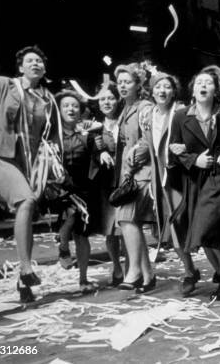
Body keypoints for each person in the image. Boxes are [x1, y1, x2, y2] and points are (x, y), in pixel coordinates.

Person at [0, 46, 62, 302]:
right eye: (30, 61)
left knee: (26, 213)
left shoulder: (47, 99)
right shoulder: (3, 84)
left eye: (39, 60)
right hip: (0, 156)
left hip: (31, 164)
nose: (35, 64)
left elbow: (50, 136)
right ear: (20, 67)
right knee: (25, 201)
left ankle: (23, 281)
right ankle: (27, 267)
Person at [169, 66, 220, 300]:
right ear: (192, 90)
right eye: (198, 83)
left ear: (216, 89)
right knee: (202, 231)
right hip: (196, 180)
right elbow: (174, 150)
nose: (203, 86)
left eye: (208, 82)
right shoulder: (181, 116)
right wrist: (194, 159)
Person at [130, 71, 203, 297]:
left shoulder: (182, 112)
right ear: (151, 91)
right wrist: (135, 151)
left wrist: (185, 150)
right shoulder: (148, 115)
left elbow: (193, 140)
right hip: (160, 180)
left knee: (183, 226)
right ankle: (190, 270)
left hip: (181, 178)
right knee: (171, 231)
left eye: (167, 86)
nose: (162, 90)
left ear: (173, 91)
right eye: (158, 86)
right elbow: (147, 142)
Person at [113, 63, 157, 293]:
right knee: (131, 221)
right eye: (119, 82)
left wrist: (136, 152)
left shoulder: (145, 106)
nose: (122, 86)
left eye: (127, 82)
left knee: (127, 218)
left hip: (141, 171)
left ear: (138, 84)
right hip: (129, 173)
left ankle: (135, 271)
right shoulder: (125, 108)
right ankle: (147, 275)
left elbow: (150, 139)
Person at [54, 89, 97, 293]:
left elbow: (98, 151)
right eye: (66, 106)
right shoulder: (52, 135)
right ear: (58, 110)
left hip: (82, 187)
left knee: (82, 235)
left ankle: (83, 278)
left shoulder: (86, 133)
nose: (71, 109)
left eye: (75, 106)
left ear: (81, 111)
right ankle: (63, 245)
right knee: (71, 212)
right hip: (57, 187)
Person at [89, 81, 125, 286]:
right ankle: (117, 268)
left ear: (117, 99)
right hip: (105, 184)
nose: (106, 102)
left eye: (110, 97)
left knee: (127, 226)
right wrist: (100, 151)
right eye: (102, 99)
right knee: (110, 230)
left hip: (124, 181)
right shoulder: (94, 127)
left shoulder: (125, 120)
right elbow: (89, 152)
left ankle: (132, 267)